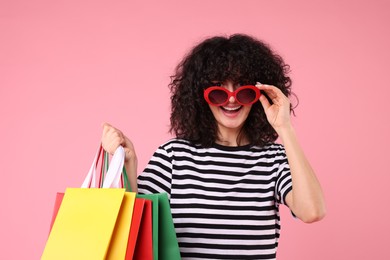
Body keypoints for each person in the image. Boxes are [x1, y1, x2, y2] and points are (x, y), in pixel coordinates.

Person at [101, 34, 326, 260]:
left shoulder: (274, 159)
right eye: (218, 91)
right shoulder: (175, 155)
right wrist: (128, 163)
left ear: (259, 95)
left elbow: (312, 212)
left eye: (243, 91)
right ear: (201, 97)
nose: (231, 99)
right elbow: (135, 225)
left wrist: (284, 128)